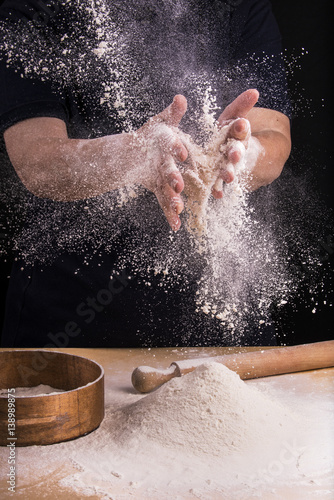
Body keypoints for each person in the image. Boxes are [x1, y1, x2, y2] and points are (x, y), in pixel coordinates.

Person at [0, 0, 291, 347]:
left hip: (223, 327)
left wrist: (239, 155)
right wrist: (134, 155)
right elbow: (37, 163)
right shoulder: (36, 8)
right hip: (72, 325)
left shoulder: (238, 6)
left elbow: (274, 141)